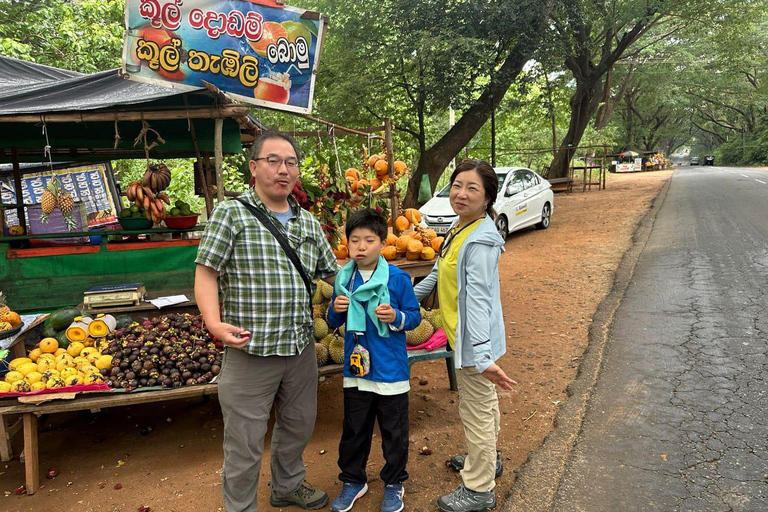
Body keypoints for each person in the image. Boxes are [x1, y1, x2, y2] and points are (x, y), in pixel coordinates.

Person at [194, 130, 338, 512]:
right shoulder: (231, 213)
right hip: (250, 350)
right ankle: (240, 507)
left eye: (291, 162)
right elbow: (206, 272)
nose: (283, 169)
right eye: (273, 160)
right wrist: (212, 322)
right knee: (244, 441)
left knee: (299, 425)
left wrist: (375, 288)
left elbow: (333, 276)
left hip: (300, 348)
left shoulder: (308, 223)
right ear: (254, 167)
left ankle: (287, 486)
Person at [413, 159, 517, 512]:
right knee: (482, 407)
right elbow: (439, 272)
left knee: (477, 411)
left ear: (487, 197)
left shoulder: (482, 241)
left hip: (473, 342)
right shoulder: (460, 227)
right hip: (464, 336)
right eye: (457, 185)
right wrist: (407, 297)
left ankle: (479, 488)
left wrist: (484, 358)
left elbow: (479, 301)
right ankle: (487, 458)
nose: (461, 193)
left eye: (472, 188)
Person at [326, 208, 421, 512]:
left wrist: (396, 316)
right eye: (355, 241)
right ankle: (353, 480)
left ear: (382, 242)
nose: (361, 247)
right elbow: (330, 321)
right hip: (356, 370)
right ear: (348, 244)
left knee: (394, 432)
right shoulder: (344, 279)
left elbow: (415, 318)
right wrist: (338, 309)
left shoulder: (397, 279)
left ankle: (394, 482)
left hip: (390, 371)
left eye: (369, 240)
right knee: (354, 429)